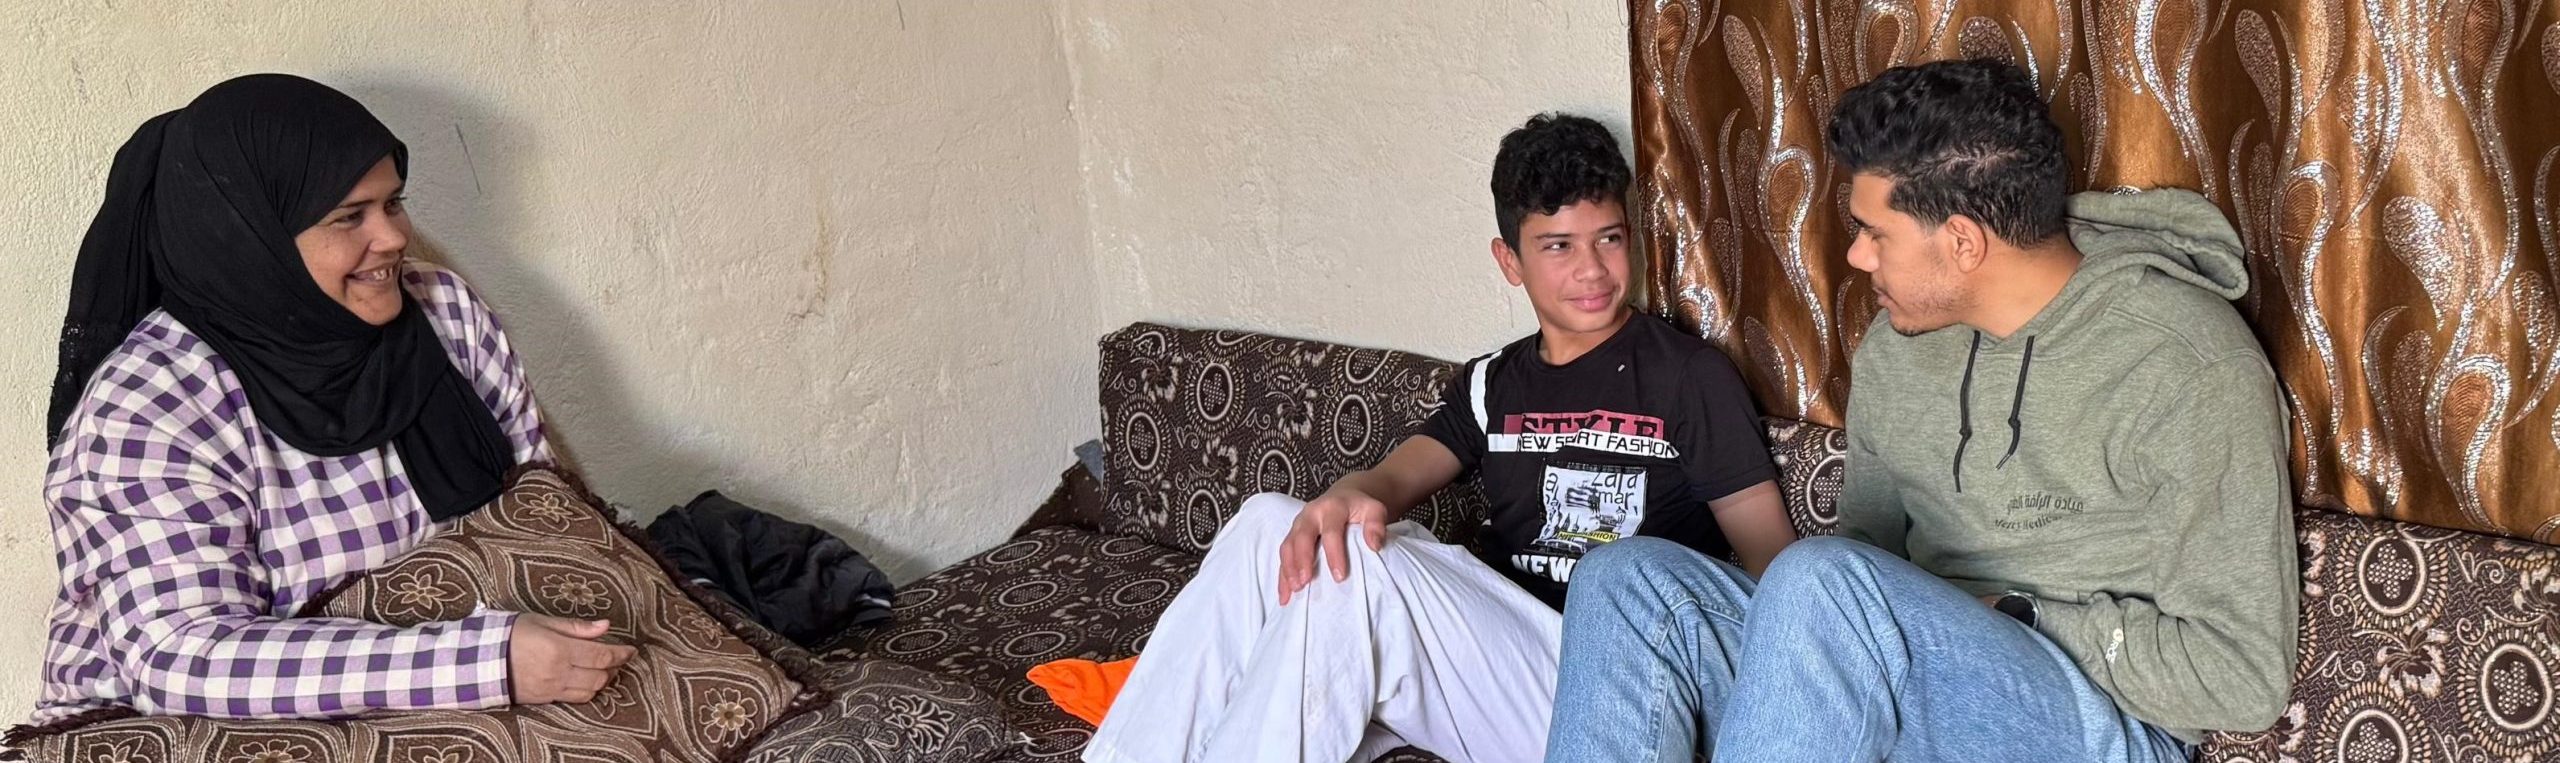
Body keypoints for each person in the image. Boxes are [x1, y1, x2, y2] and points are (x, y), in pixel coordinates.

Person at [1542, 57, 2298, 762]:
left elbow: (2240, 676)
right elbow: (1860, 566)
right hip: (1918, 684)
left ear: (1963, 241)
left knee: (1823, 581)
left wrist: (2019, 612)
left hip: (2101, 720)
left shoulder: (2187, 362)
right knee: (1624, 581)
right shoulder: (1898, 347)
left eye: (1876, 233)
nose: (1857, 257)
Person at [1085, 114, 1799, 763]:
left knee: (1357, 573)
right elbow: (1391, 482)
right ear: (1509, 261)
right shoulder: (1493, 382)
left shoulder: (1688, 376)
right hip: (1498, 661)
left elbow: (1775, 577)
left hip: (1609, 684)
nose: (1592, 269)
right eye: (1558, 246)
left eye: (1608, 239)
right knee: (1267, 519)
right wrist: (1346, 496)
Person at [35, 74, 634, 722]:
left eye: (393, 203)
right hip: (201, 727)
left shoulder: (444, 316)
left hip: (444, 705)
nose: (394, 237)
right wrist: (481, 664)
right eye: (350, 216)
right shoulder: (154, 403)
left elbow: (540, 511)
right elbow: (181, 659)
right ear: (251, 234)